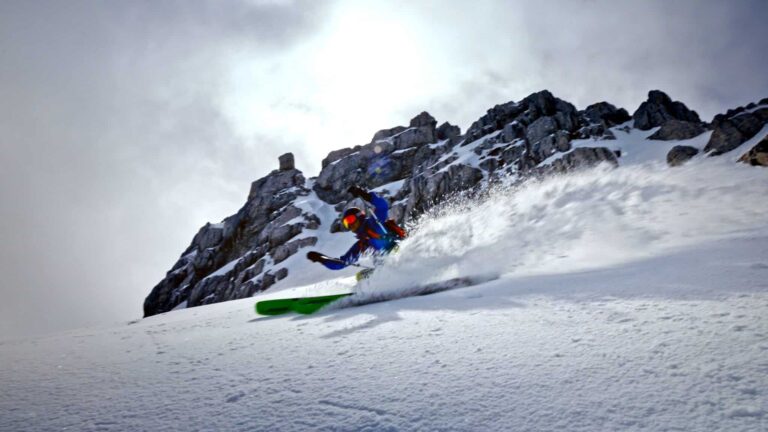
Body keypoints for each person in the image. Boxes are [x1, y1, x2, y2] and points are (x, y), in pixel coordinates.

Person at [306, 185, 405, 270]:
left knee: (395, 255)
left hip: (401, 250)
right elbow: (341, 264)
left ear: (359, 216)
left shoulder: (374, 222)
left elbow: (382, 206)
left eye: (350, 220)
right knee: (362, 277)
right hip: (387, 266)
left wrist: (365, 195)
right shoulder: (361, 244)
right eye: (346, 223)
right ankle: (387, 285)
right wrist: (321, 259)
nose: (350, 225)